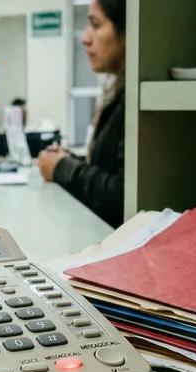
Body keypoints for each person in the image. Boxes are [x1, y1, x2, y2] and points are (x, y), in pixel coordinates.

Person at [37, 0, 127, 228]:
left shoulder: (133, 100)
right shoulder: (119, 91)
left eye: (96, 25)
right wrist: (68, 160)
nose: (85, 38)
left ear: (128, 33)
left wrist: (62, 168)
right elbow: (108, 169)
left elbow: (121, 194)